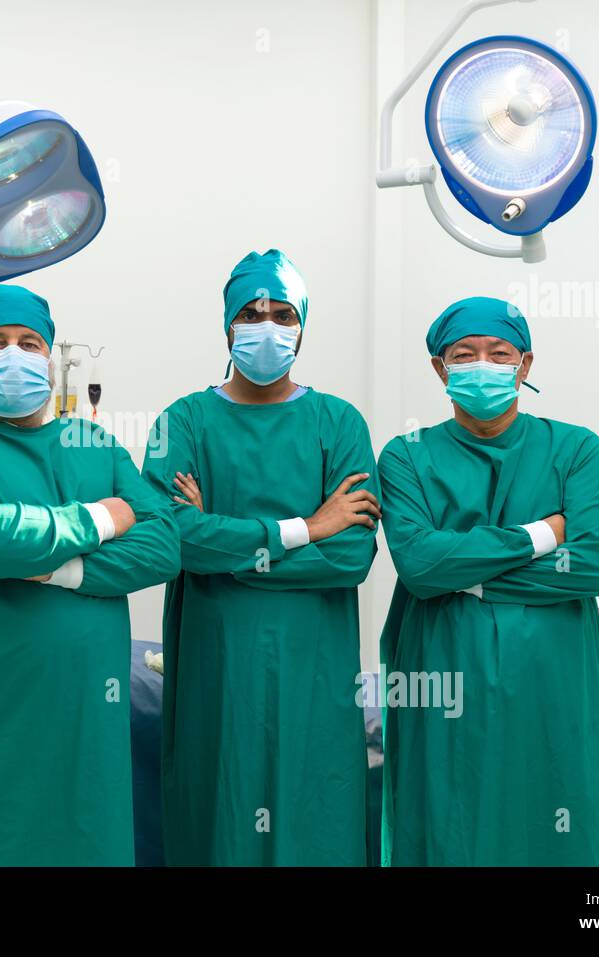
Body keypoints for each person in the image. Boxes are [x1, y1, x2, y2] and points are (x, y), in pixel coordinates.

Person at [0, 283, 181, 866]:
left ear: (49, 358)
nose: (14, 355)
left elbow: (165, 544)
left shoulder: (90, 440)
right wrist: (107, 515)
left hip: (87, 728)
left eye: (29, 342)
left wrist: (61, 569)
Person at [142, 249, 380, 865]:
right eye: (251, 313)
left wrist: (224, 545)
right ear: (227, 326)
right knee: (219, 810)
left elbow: (352, 556)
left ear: (302, 326)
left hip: (315, 667)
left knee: (314, 813)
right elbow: (175, 541)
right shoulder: (184, 421)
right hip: (216, 665)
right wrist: (310, 526)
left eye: (282, 314)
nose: (267, 326)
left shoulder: (338, 422)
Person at [377, 296, 599, 866]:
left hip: (551, 673)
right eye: (464, 355)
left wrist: (470, 578)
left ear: (526, 364)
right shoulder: (407, 456)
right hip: (443, 666)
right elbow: (419, 566)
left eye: (499, 353)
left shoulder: (577, 450)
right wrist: (542, 534)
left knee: (556, 802)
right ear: (440, 368)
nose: (482, 364)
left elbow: (592, 567)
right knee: (446, 810)